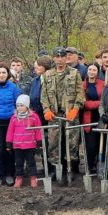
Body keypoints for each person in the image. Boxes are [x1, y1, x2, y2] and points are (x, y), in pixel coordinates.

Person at [41, 47, 85, 184]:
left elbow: (80, 93)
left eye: (62, 57)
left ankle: (70, 170)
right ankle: (56, 169)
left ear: (66, 58)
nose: (60, 59)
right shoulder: (47, 75)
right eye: (57, 57)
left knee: (71, 144)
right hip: (54, 115)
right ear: (54, 58)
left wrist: (76, 109)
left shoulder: (74, 73)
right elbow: (44, 95)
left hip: (70, 114)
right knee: (54, 143)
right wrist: (46, 110)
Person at [6, 94, 42, 188]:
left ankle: (33, 178)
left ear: (27, 106)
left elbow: (38, 130)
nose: (19, 108)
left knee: (31, 163)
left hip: (30, 145)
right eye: (17, 106)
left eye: (22, 105)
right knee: (18, 163)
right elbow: (10, 131)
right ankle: (19, 178)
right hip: (17, 146)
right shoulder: (14, 118)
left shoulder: (34, 116)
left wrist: (39, 141)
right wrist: (9, 143)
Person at [82, 63, 105, 175]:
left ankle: (99, 165)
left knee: (100, 143)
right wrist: (99, 103)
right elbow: (83, 104)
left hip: (101, 117)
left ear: (98, 72)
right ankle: (89, 166)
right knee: (90, 145)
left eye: (94, 70)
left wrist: (95, 104)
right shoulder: (82, 85)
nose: (91, 72)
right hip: (88, 118)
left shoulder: (103, 84)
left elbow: (106, 100)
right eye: (90, 69)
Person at [29, 56, 51, 121]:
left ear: (46, 66)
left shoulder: (53, 80)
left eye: (38, 65)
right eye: (35, 66)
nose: (35, 68)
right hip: (37, 116)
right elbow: (32, 98)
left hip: (50, 115)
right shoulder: (34, 81)